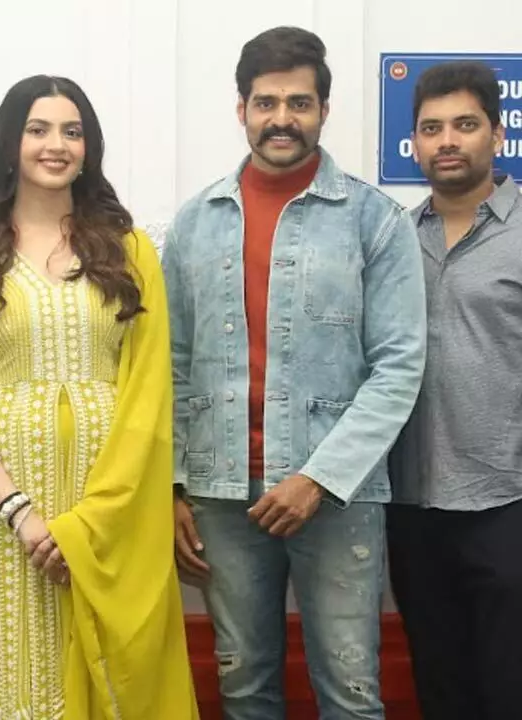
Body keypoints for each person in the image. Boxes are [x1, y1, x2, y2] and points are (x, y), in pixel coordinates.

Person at [164, 27, 427, 719]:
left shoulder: (375, 221)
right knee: (244, 686)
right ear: (242, 109)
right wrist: (173, 484)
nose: (282, 118)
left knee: (351, 689)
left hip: (337, 496)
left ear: (323, 110)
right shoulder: (194, 224)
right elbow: (173, 363)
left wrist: (318, 478)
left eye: (299, 103)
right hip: (221, 495)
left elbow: (399, 366)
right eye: (267, 102)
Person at [0, 74, 198, 720]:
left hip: (111, 503)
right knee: (15, 669)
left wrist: (95, 520)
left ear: (88, 148)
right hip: (4, 511)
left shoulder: (129, 250)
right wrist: (22, 515)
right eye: (39, 129)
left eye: (72, 132)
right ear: (9, 143)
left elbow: (150, 391)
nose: (57, 145)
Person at [387, 60, 522, 720]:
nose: (447, 141)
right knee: (440, 689)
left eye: (465, 125)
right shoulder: (391, 240)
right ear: (414, 141)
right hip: (412, 506)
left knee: (508, 690)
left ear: (497, 134)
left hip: (507, 503)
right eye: (431, 127)